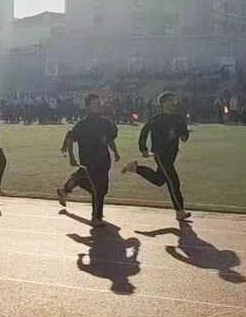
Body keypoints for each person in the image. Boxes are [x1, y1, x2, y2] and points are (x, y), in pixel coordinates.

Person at [122, 91, 191, 222]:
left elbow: (184, 134)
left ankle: (136, 168)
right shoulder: (156, 119)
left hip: (172, 153)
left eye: (174, 100)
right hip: (161, 153)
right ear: (163, 103)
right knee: (173, 181)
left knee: (159, 180)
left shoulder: (179, 118)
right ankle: (180, 211)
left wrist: (184, 135)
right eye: (170, 100)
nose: (173, 102)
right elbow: (144, 131)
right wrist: (143, 148)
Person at [57, 94, 120, 227]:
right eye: (95, 103)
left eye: (99, 103)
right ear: (88, 107)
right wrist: (72, 157)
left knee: (103, 190)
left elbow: (109, 139)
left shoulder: (105, 123)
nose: (98, 105)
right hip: (88, 162)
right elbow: (70, 139)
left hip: (104, 161)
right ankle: (96, 217)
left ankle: (74, 182)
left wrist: (115, 152)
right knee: (98, 190)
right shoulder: (82, 125)